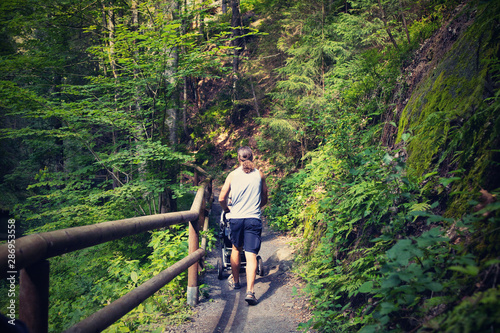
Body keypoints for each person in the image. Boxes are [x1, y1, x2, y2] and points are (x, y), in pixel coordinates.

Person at [219, 146, 268, 305]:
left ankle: (237, 282)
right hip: (253, 218)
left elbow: (221, 198)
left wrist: (227, 209)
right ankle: (250, 291)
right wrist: (256, 208)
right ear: (252, 157)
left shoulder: (232, 175)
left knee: (235, 248)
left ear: (238, 158)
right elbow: (265, 197)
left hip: (236, 218)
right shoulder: (260, 174)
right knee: (251, 254)